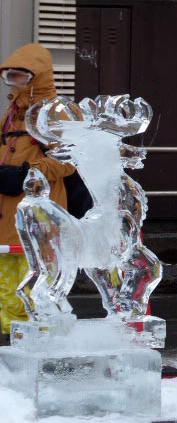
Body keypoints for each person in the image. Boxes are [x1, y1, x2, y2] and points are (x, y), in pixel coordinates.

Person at [0, 43, 75, 338]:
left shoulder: (56, 114)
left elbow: (69, 160)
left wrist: (29, 174)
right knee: (6, 282)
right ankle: (9, 336)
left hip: (39, 210)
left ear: (37, 76)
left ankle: (42, 337)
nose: (15, 83)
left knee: (38, 279)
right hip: (7, 212)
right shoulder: (12, 113)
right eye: (11, 77)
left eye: (20, 76)